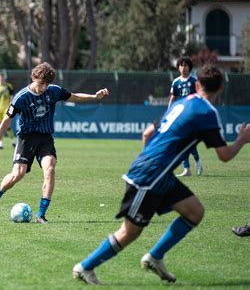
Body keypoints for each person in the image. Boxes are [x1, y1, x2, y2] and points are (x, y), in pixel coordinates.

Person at [72, 65, 250, 285]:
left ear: (196, 85)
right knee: (129, 232)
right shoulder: (207, 113)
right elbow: (224, 155)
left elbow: (147, 133)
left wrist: (150, 161)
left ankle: (155, 257)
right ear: (221, 88)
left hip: (158, 174)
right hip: (150, 176)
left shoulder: (181, 103)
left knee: (195, 211)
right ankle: (85, 267)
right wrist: (242, 139)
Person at [0, 62, 109, 223]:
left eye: (47, 84)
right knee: (17, 174)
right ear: (33, 78)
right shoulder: (21, 97)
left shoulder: (53, 91)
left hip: (45, 138)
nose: (44, 88)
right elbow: (5, 121)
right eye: (41, 84)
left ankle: (41, 215)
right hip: (26, 138)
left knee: (50, 168)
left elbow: (74, 96)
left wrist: (95, 97)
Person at [168, 57, 202, 177]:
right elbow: (173, 98)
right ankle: (187, 169)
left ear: (189, 67)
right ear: (178, 68)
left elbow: (200, 97)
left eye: (185, 65)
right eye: (181, 65)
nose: (183, 67)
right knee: (180, 142)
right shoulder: (176, 82)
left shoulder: (194, 81)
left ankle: (197, 161)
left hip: (192, 114)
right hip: (179, 115)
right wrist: (169, 113)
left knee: (187, 141)